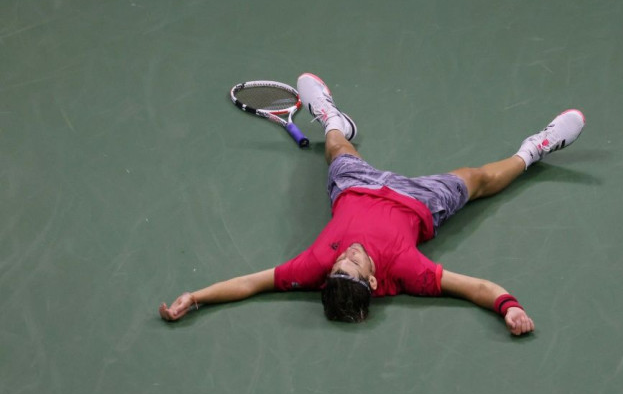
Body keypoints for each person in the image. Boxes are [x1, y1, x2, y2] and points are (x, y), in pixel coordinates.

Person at [159, 73, 586, 336]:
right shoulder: (408, 273)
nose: (346, 255)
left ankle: (331, 117)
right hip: (420, 201)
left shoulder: (313, 269)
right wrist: (510, 309)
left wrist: (195, 297)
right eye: (354, 264)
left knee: (336, 146)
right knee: (478, 179)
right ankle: (537, 148)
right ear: (376, 283)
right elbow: (477, 288)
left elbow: (250, 284)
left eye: (338, 265)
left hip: (355, 185)